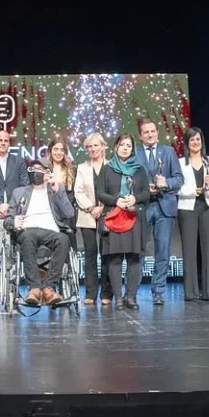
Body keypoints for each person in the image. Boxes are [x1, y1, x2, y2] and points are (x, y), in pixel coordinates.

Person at [3, 159, 75, 305]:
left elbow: (69, 213)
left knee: (64, 239)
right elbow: (7, 220)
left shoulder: (55, 191)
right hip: (27, 229)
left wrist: (57, 191)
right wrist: (13, 222)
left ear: (48, 173)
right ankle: (34, 288)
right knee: (28, 236)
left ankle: (49, 288)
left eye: (40, 169)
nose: (36, 172)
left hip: (51, 230)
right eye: (33, 169)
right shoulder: (19, 192)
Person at [97, 134, 151, 310]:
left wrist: (135, 198)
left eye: (129, 145)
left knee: (134, 258)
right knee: (115, 259)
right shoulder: (107, 169)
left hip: (134, 217)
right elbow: (100, 193)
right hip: (115, 217)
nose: (125, 148)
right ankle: (118, 299)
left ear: (132, 149)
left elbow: (146, 193)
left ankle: (131, 297)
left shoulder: (139, 169)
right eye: (122, 145)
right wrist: (116, 201)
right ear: (116, 147)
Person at [134, 119, 184, 305]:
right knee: (139, 250)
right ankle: (132, 292)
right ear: (140, 136)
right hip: (144, 206)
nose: (150, 134)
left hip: (164, 206)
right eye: (146, 132)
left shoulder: (168, 151)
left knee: (162, 250)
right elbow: (129, 179)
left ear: (157, 132)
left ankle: (158, 291)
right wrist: (144, 188)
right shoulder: (135, 153)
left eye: (152, 131)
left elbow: (179, 179)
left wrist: (166, 183)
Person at [0, 130, 28, 303]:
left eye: (6, 140)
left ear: (10, 143)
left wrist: (10, 207)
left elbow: (24, 186)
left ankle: (13, 289)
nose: (3, 143)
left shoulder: (18, 161)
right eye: (0, 140)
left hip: (14, 214)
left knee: (15, 253)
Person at [177, 127, 209, 301]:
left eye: (198, 139)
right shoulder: (180, 162)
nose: (195, 142)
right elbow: (177, 187)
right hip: (187, 207)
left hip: (208, 206)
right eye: (192, 140)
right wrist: (193, 191)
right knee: (189, 250)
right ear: (187, 143)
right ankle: (191, 292)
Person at [74, 132, 113, 305]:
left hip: (108, 214)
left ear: (103, 147)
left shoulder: (112, 166)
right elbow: (78, 192)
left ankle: (106, 293)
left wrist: (103, 208)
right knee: (90, 254)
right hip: (87, 214)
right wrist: (91, 208)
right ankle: (90, 293)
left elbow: (115, 190)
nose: (93, 149)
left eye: (96, 145)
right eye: (89, 146)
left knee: (107, 254)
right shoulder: (82, 167)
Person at [42, 137, 77, 248]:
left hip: (66, 215)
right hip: (48, 214)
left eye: (62, 150)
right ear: (50, 150)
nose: (59, 153)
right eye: (56, 149)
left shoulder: (72, 170)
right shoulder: (43, 169)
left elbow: (72, 196)